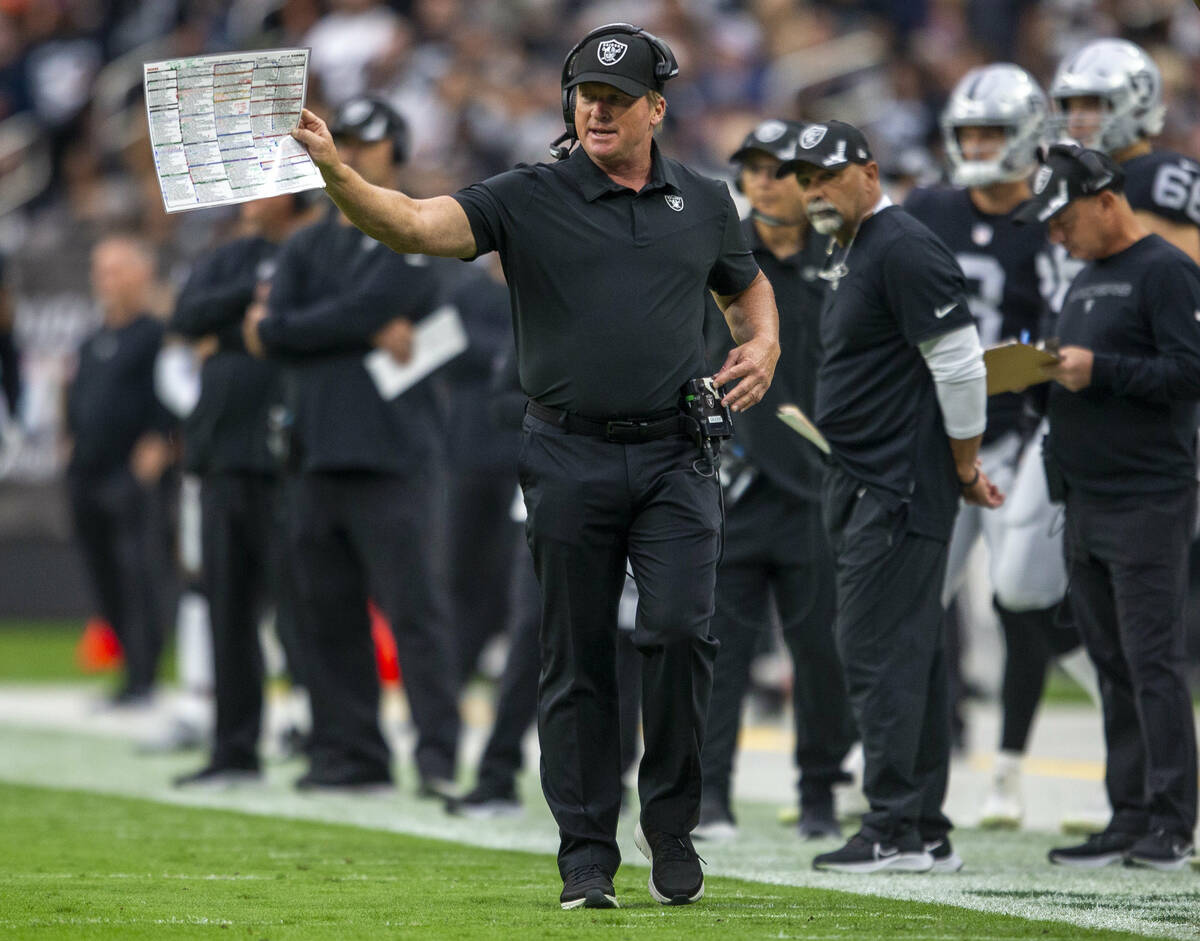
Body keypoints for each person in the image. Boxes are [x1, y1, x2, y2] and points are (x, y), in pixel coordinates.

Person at [290, 22, 779, 910]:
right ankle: (586, 853)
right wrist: (339, 174)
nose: (598, 109)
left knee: (676, 630)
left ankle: (670, 820)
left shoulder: (704, 199)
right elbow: (413, 224)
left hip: (677, 451)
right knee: (575, 653)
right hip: (567, 449)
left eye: (618, 98)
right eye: (586, 95)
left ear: (656, 110)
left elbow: (744, 280)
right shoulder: (528, 193)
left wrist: (767, 339)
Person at [777, 120, 1002, 874]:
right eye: (804, 180)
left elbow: (964, 366)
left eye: (826, 176)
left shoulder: (900, 245)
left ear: (868, 172)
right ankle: (924, 827)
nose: (813, 191)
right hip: (869, 478)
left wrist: (964, 464)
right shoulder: (857, 247)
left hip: (896, 485)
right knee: (913, 654)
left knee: (876, 654)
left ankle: (894, 827)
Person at [245, 96, 462, 798]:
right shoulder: (309, 241)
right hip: (315, 453)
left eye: (370, 142)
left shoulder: (419, 225)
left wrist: (321, 326)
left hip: (395, 455)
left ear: (395, 151)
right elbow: (274, 332)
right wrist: (356, 327)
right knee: (323, 616)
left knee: (415, 613)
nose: (358, 152)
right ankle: (348, 751)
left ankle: (435, 753)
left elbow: (303, 324)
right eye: (350, 141)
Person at [904, 64, 1092, 829]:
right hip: (937, 433)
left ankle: (1016, 765)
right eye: (969, 132)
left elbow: (1074, 319)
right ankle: (887, 761)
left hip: (1018, 433)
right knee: (913, 602)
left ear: (1026, 138)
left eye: (991, 131)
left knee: (1019, 593)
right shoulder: (929, 208)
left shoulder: (1054, 214)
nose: (978, 145)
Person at [1016, 143, 1200, 871]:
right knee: (1112, 661)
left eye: (1062, 218)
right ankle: (1128, 812)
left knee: (1153, 662)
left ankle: (1172, 819)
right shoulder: (1088, 281)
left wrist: (1102, 369)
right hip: (1084, 499)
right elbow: (1088, 377)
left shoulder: (1166, 270)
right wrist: (1036, 376)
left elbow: (1192, 372)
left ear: (1104, 198)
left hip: (1147, 497)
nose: (1055, 234)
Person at [695, 119, 855, 843]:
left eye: (779, 168)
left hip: (821, 487)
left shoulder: (845, 258)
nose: (763, 180)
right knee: (716, 651)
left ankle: (820, 792)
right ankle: (709, 796)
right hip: (734, 485)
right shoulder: (716, 259)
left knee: (820, 652)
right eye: (752, 168)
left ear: (809, 180)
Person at [170, 194, 313, 787]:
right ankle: (234, 748)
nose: (253, 196)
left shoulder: (311, 253)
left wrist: (239, 332)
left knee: (306, 612)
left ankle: (331, 743)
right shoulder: (229, 259)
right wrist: (246, 301)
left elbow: (305, 329)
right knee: (228, 609)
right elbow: (185, 316)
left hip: (290, 462)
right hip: (224, 460)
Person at [65, 235, 175, 705]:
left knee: (138, 572)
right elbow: (76, 395)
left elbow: (174, 392)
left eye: (115, 269)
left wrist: (163, 440)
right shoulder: (93, 339)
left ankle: (145, 674)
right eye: (99, 269)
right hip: (86, 471)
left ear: (141, 275)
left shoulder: (156, 335)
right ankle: (128, 665)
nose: (104, 280)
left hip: (131, 472)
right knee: (103, 572)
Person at [1050, 38, 1200, 265]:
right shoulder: (1066, 185)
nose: (1075, 120)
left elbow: (1186, 278)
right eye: (1069, 107)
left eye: (1090, 105)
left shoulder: (1165, 176)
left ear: (1137, 103)